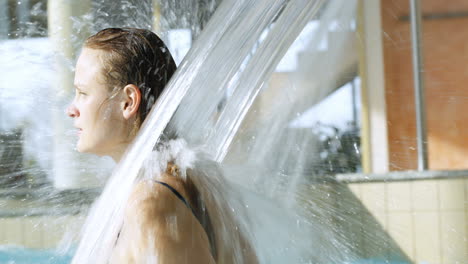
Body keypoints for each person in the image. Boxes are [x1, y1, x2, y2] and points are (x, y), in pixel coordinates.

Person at [67, 28, 257, 263]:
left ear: (128, 102)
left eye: (83, 93)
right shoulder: (196, 176)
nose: (71, 109)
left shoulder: (151, 205)